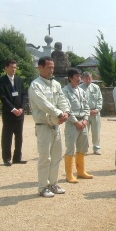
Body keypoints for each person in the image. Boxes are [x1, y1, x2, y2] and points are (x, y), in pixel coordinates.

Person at [28, 56, 70, 198]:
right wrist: (59, 113)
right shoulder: (36, 85)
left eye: (53, 67)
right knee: (45, 157)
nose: (52, 70)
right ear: (40, 67)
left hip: (56, 125)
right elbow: (43, 103)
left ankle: (53, 183)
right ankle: (42, 186)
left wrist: (66, 112)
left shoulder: (56, 84)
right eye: (49, 67)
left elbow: (62, 99)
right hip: (43, 125)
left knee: (57, 156)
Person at [62, 68, 93, 183]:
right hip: (72, 123)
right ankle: (69, 174)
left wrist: (85, 120)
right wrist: (76, 121)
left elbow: (86, 106)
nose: (79, 78)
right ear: (70, 78)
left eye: (80, 76)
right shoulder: (65, 91)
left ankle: (81, 171)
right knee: (70, 147)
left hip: (83, 122)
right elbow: (66, 108)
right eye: (77, 76)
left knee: (82, 147)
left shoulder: (81, 91)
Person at [0, 59, 27, 166]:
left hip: (20, 113)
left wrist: (22, 108)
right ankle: (7, 158)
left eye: (15, 67)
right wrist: (13, 109)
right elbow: (3, 97)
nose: (14, 69)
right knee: (7, 136)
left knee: (19, 136)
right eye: (11, 67)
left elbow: (23, 94)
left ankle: (17, 157)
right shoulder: (2, 80)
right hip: (9, 113)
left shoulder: (19, 80)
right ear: (6, 68)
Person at [80, 71, 103, 155]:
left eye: (89, 78)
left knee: (96, 131)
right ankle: (84, 148)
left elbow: (100, 99)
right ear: (82, 79)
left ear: (91, 78)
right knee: (84, 132)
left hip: (95, 112)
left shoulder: (96, 87)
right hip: (85, 113)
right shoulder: (79, 88)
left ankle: (96, 148)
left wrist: (97, 109)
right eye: (86, 78)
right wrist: (86, 111)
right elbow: (79, 102)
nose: (88, 80)